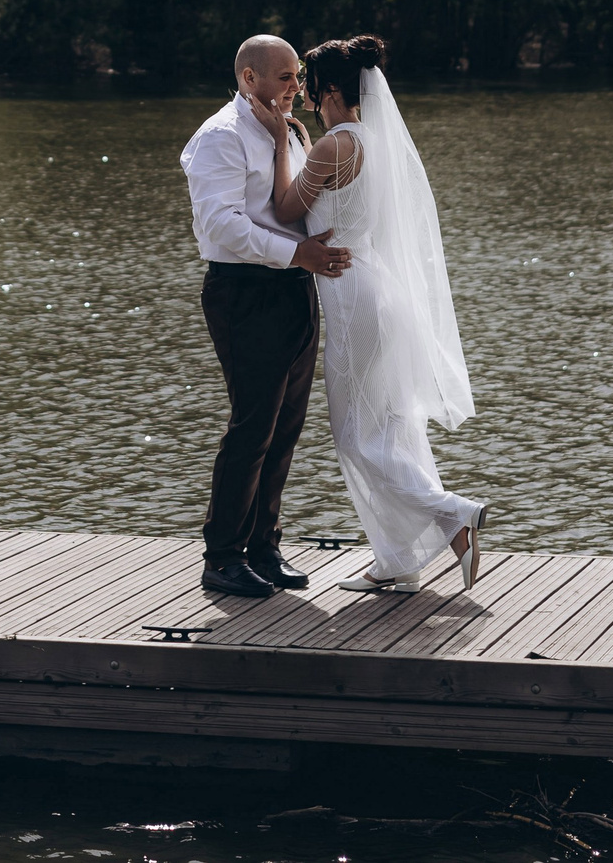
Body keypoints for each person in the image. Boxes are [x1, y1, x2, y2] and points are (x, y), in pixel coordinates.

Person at [270, 35, 487, 594]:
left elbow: (285, 210)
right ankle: (398, 559)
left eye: (313, 90)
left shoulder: (333, 146)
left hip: (351, 299)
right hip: (376, 286)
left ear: (334, 90)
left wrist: (278, 141)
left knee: (355, 436)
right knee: (389, 425)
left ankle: (450, 511)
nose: (310, 100)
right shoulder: (371, 140)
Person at [179, 34, 352, 599]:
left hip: (296, 289)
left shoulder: (289, 134)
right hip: (245, 293)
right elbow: (221, 227)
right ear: (249, 79)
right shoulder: (220, 138)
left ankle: (262, 546)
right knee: (252, 426)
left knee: (285, 428)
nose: (295, 88)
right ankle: (221, 556)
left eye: (298, 77)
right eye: (284, 78)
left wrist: (316, 250)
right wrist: (298, 252)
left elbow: (290, 208)